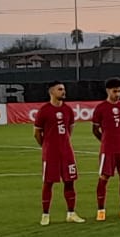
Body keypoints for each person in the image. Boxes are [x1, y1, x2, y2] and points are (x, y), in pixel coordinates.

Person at [34, 81, 84, 226]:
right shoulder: (44, 110)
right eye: (60, 89)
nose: (63, 91)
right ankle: (45, 214)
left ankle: (71, 213)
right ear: (51, 92)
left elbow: (70, 130)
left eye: (63, 89)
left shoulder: (68, 110)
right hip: (51, 153)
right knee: (48, 183)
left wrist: (64, 142)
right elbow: (37, 133)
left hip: (67, 152)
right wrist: (45, 146)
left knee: (70, 181)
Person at [91, 76, 120, 220]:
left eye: (119, 91)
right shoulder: (101, 108)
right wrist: (105, 141)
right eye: (114, 91)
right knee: (104, 178)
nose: (117, 94)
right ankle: (101, 211)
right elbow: (95, 130)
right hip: (108, 150)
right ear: (108, 91)